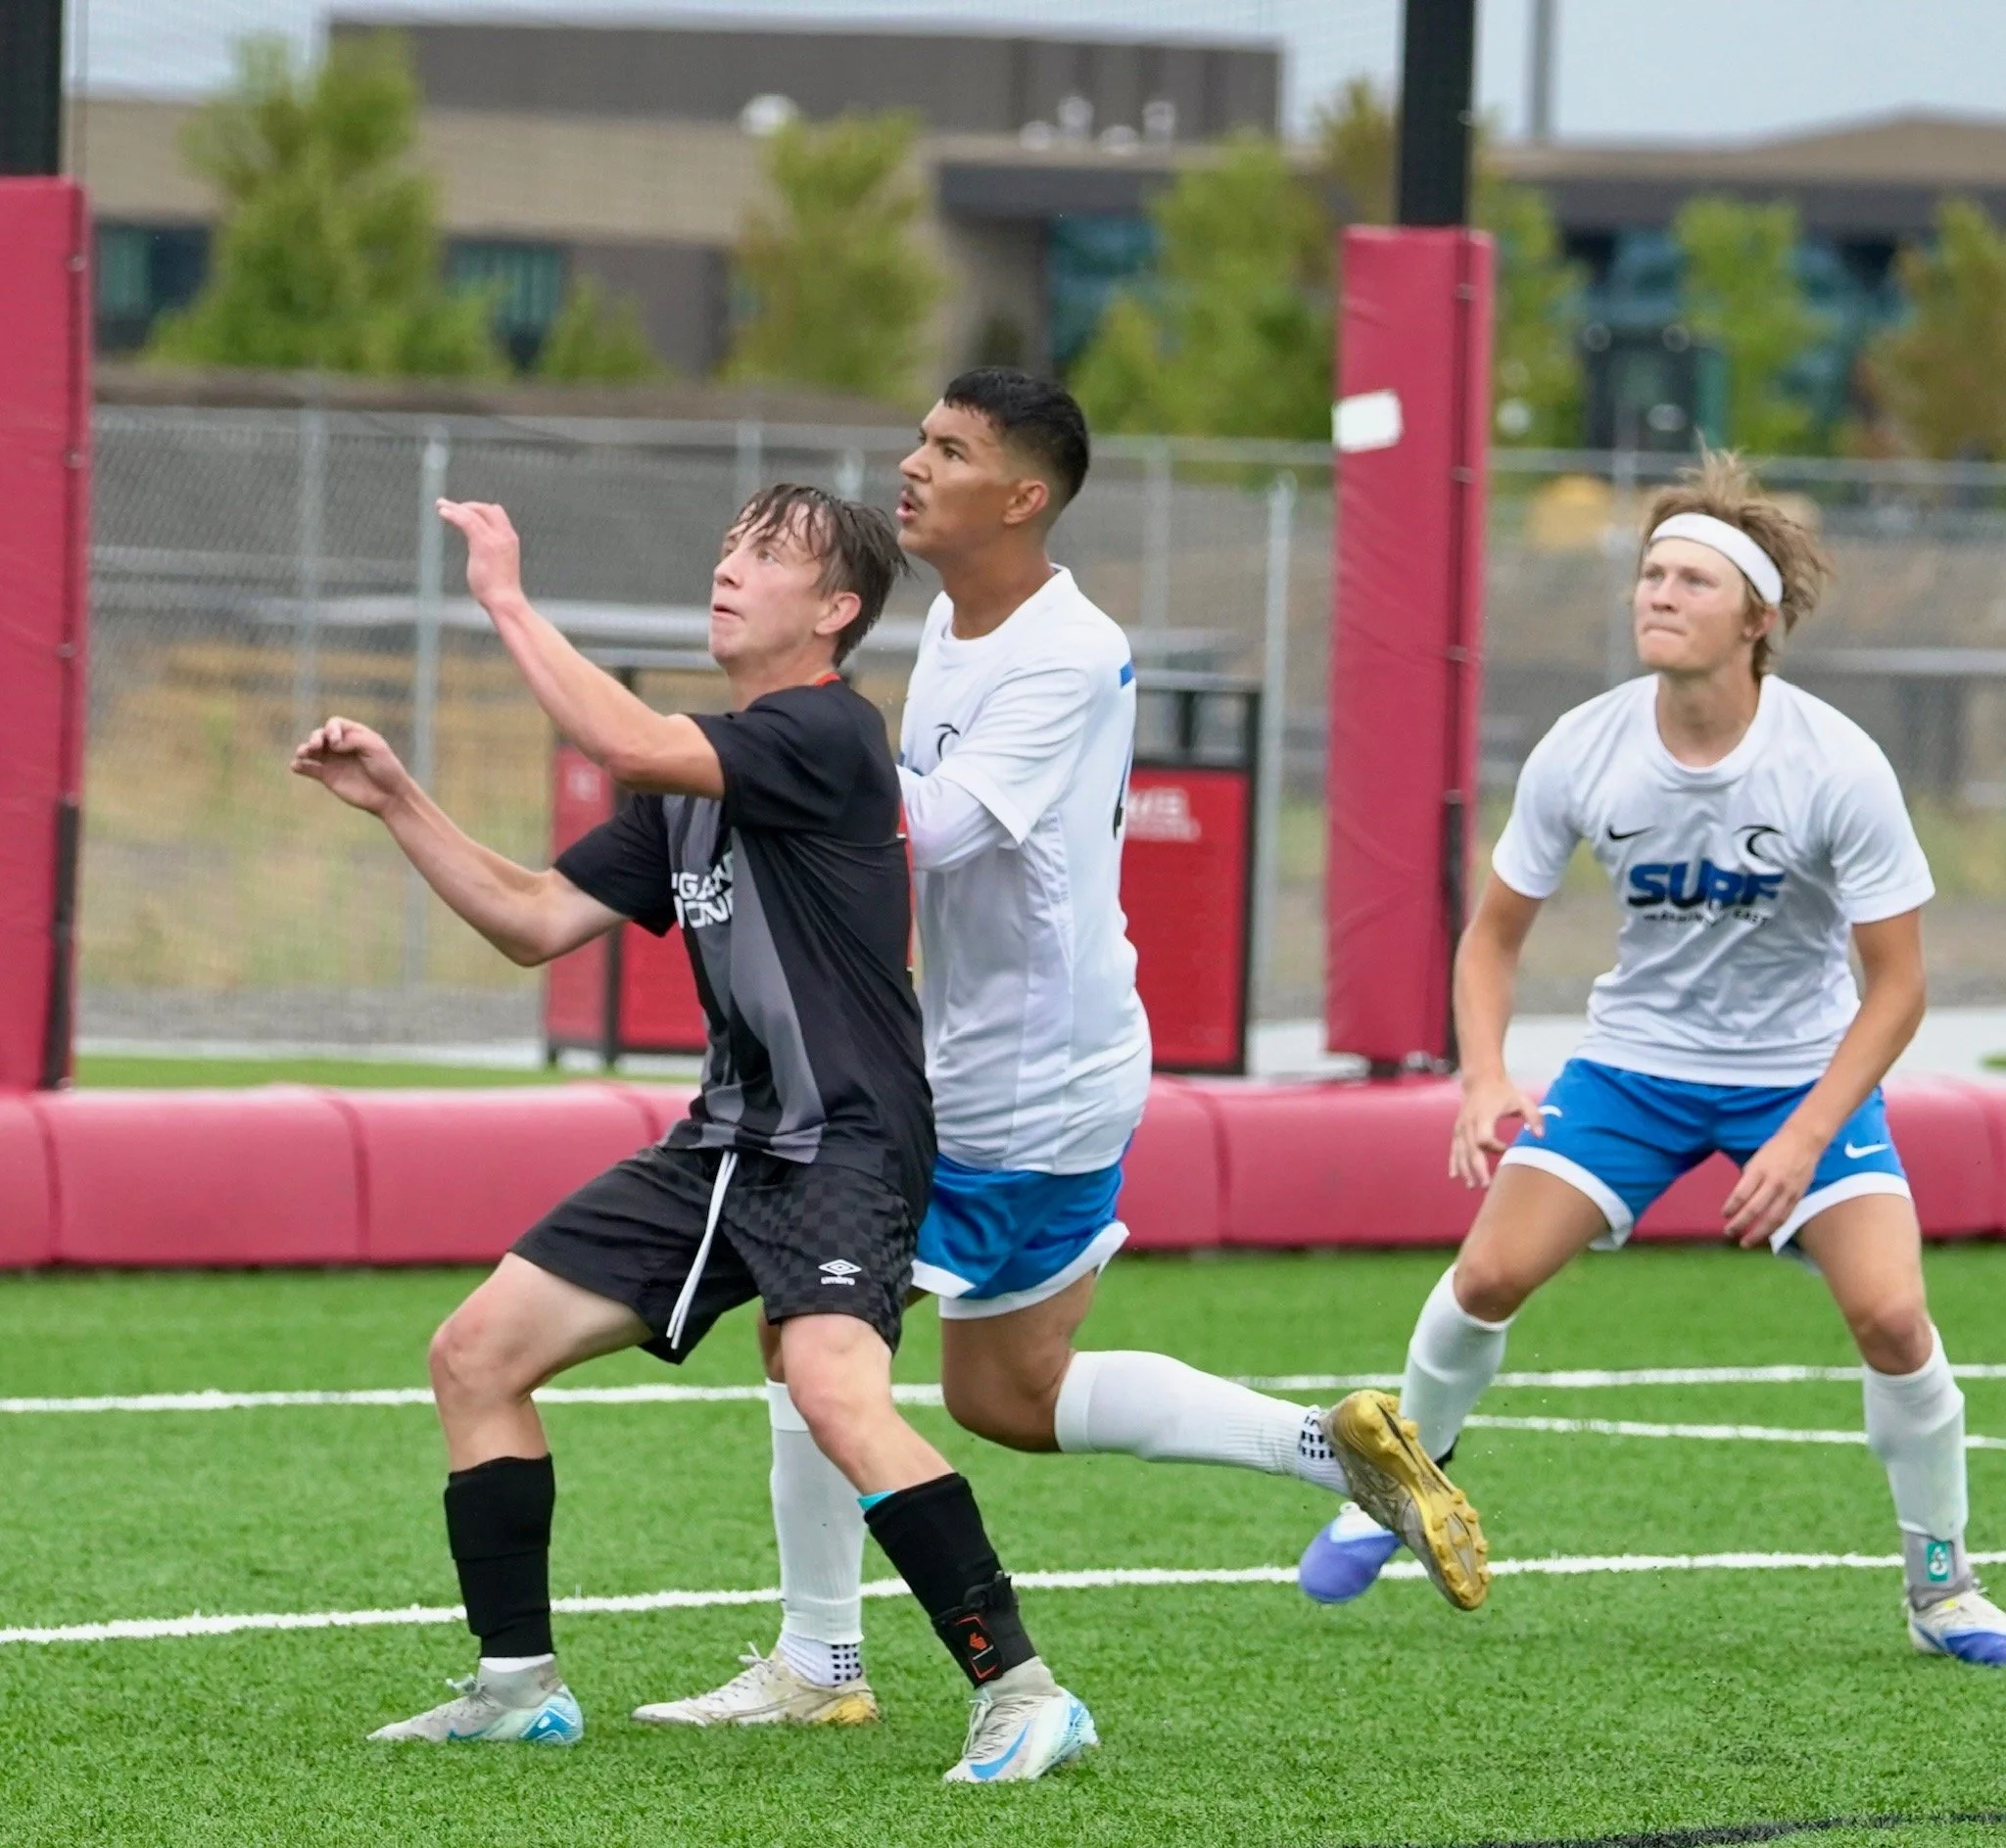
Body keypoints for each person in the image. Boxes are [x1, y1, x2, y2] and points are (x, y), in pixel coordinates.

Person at [640, 368, 1489, 1736]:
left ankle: (824, 1662)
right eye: (919, 436)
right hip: (1036, 1062)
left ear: (1021, 496)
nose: (912, 465)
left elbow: (943, 831)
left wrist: (771, 762)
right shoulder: (968, 631)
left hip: (1011, 1084)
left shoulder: (1065, 648)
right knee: (1006, 1392)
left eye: (951, 449)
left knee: (808, 1333)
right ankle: (1332, 1448)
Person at [292, 482, 1101, 1780]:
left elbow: (624, 743)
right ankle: (516, 1683)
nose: (728, 567)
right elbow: (532, 918)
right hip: (725, 1142)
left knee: (837, 1389)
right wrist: (397, 797)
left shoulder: (831, 732)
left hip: (843, 1138)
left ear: (835, 611)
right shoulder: (687, 777)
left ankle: (1020, 1688)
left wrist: (502, 594)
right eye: (725, 544)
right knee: (475, 1353)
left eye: (767, 554)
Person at [1297, 451, 2006, 1668]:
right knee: (1484, 1281)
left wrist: (1797, 1139)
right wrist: (1483, 1076)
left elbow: (1897, 988)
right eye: (1647, 573)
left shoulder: (1831, 762)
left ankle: (1939, 1584)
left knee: (1891, 1317)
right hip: (1633, 1069)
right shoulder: (1585, 746)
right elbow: (1491, 939)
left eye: (1689, 578)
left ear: (1756, 618)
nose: (1656, 595)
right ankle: (1397, 1485)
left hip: (1800, 1076)